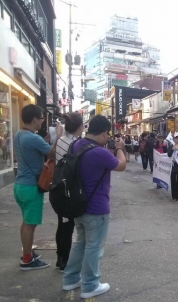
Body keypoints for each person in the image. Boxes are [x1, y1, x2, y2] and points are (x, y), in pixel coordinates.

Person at [62, 115, 126, 299]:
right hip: (96, 207)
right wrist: (120, 148)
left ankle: (70, 278)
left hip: (78, 205)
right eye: (108, 135)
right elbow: (121, 165)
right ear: (105, 132)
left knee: (81, 242)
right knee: (94, 247)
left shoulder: (76, 144)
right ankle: (90, 284)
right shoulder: (100, 152)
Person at [14, 104, 62, 270]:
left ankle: (27, 253)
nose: (42, 121)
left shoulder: (19, 134)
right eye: (42, 118)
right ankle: (27, 260)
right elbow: (54, 153)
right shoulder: (33, 138)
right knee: (30, 223)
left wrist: (47, 139)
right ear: (34, 119)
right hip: (31, 187)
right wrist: (58, 138)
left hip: (20, 185)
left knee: (26, 222)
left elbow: (36, 149)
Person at [54, 112, 84, 271]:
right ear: (80, 126)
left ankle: (61, 257)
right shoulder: (77, 144)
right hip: (69, 190)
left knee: (63, 224)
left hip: (58, 186)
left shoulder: (60, 141)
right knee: (68, 226)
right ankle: (64, 260)